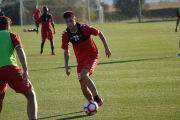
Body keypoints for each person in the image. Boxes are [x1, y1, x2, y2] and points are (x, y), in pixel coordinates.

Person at [61, 11, 111, 106]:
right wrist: (66, 65)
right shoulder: (65, 34)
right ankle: (92, 104)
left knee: (84, 75)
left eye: (71, 21)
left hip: (92, 55)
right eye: (67, 22)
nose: (69, 24)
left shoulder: (85, 28)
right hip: (80, 61)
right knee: (83, 86)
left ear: (75, 20)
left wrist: (106, 48)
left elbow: (100, 33)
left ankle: (97, 99)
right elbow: (66, 51)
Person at [0, 16, 38, 119]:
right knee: (30, 94)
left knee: (1, 94)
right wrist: (25, 69)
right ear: (7, 26)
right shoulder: (12, 35)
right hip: (10, 68)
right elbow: (19, 49)